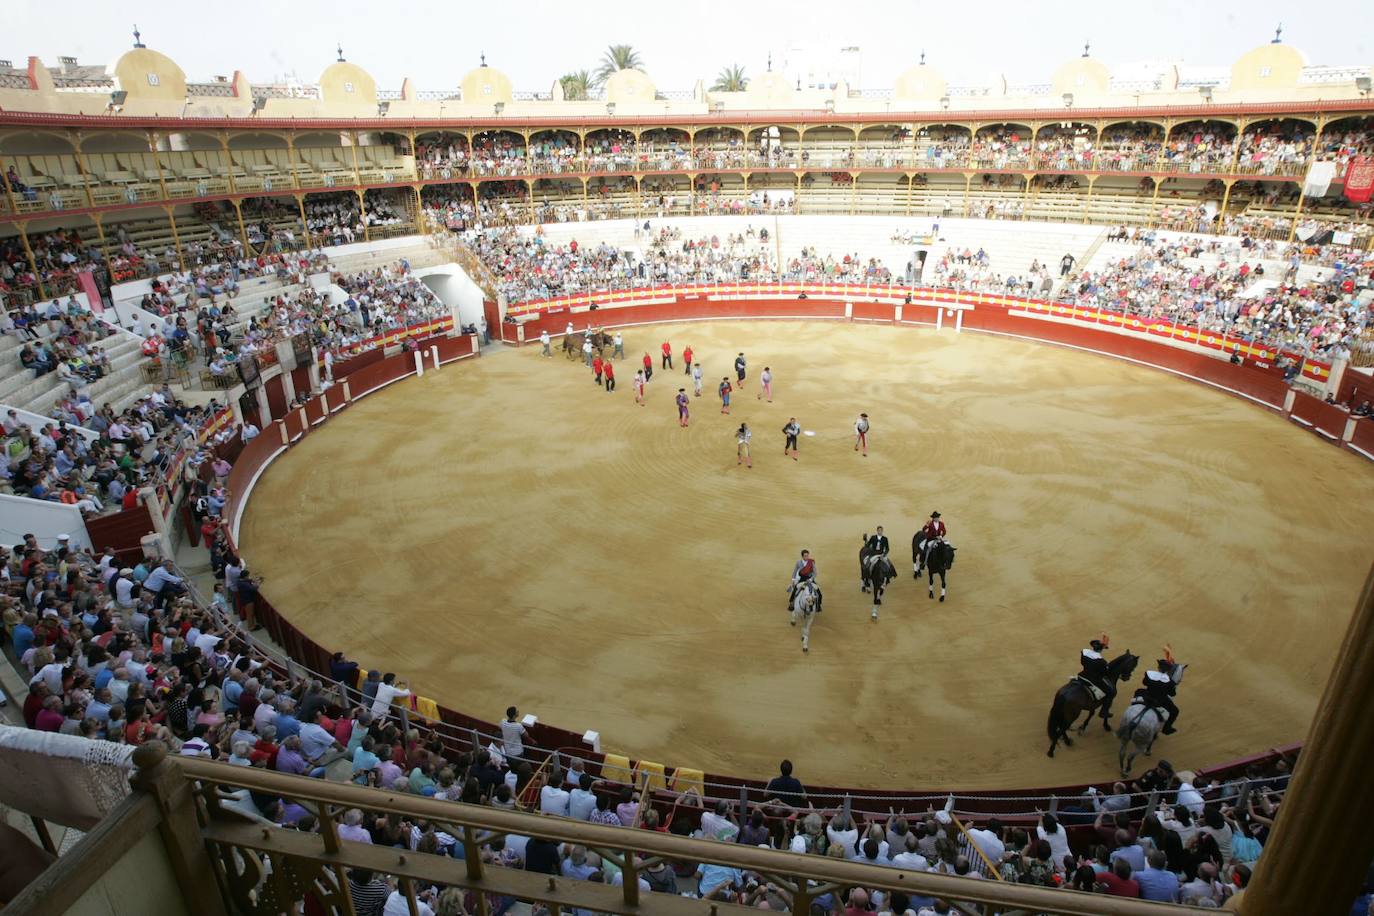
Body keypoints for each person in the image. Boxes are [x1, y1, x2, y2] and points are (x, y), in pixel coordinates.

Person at [1133, 648, 1181, 734]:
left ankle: (1134, 705)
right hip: (1160, 700)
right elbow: (1172, 694)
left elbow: (1144, 683)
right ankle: (1166, 728)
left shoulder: (1149, 674)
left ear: (1158, 667)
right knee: (1175, 711)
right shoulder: (1170, 681)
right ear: (1168, 670)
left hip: (1147, 695)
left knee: (1138, 691)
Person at [1078, 635, 1114, 704]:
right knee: (1110, 692)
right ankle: (1104, 709)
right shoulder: (1101, 661)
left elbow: (1082, 663)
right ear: (1102, 649)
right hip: (1093, 679)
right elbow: (1104, 673)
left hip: (1082, 675)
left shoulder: (1084, 652)